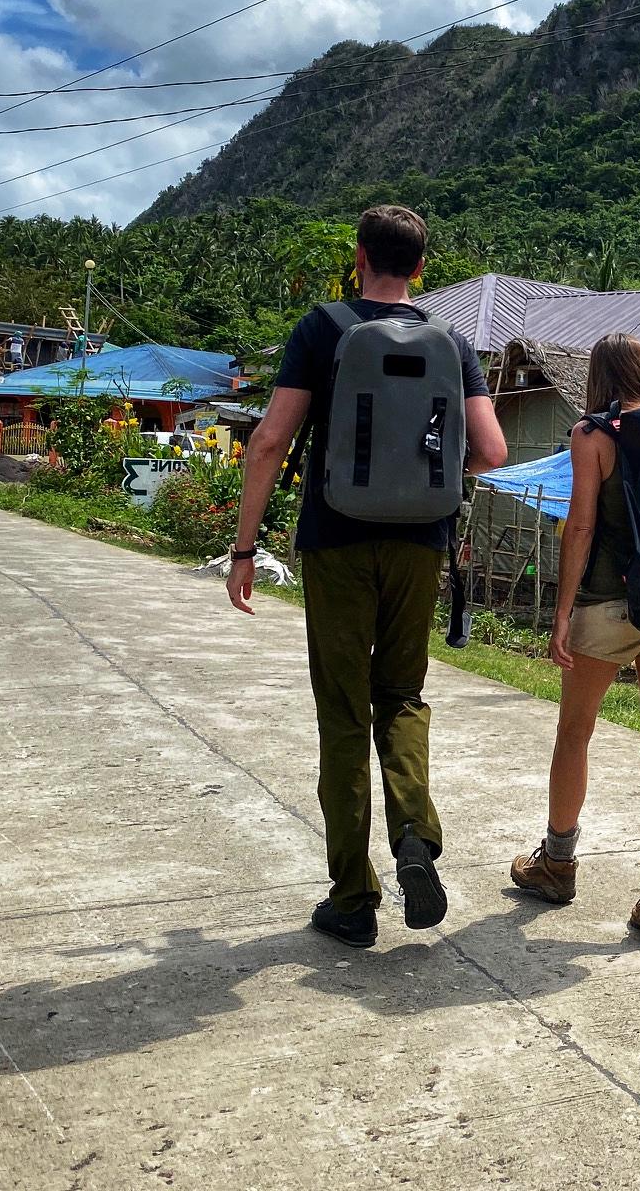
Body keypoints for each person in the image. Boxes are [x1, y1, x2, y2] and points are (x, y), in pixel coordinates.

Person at [228, 205, 507, 951]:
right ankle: (415, 833)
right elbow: (493, 449)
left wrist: (245, 548)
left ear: (359, 258)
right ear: (421, 268)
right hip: (420, 543)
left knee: (344, 715)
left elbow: (270, 441)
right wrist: (427, 478)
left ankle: (353, 898)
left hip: (337, 540)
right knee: (404, 695)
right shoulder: (453, 341)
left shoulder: (324, 328)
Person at [509, 333, 640, 946]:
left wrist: (561, 611)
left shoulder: (593, 434)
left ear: (598, 375)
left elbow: (581, 526)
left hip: (609, 603)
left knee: (576, 729)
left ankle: (558, 863)